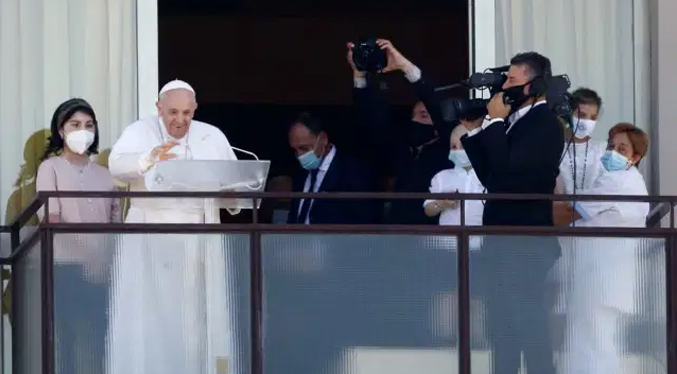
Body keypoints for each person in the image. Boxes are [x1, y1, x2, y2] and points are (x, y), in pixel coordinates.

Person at [106, 80, 241, 374]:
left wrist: (232, 193)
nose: (180, 120)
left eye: (186, 113)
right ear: (158, 108)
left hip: (200, 238)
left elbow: (235, 184)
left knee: (198, 317)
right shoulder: (139, 131)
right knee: (151, 317)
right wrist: (148, 158)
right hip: (151, 236)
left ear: (195, 110)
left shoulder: (212, 136)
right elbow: (116, 165)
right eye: (172, 112)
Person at [461, 52, 563, 374]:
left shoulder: (544, 123)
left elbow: (507, 174)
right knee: (501, 327)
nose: (505, 86)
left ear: (536, 84)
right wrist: (477, 130)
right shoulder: (515, 121)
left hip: (526, 242)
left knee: (527, 323)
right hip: (501, 242)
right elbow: (490, 177)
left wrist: (494, 122)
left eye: (513, 80)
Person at [555, 123, 650, 374]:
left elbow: (571, 213)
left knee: (596, 348)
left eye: (622, 148)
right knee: (590, 344)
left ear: (635, 157)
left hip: (604, 279)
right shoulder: (613, 179)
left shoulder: (621, 182)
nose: (613, 152)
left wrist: (529, 213)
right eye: (610, 146)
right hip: (596, 278)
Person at [35, 98, 121, 374]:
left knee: (100, 339)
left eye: (88, 125)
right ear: (61, 130)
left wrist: (105, 261)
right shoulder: (51, 168)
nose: (83, 130)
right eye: (75, 125)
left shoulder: (106, 175)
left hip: (103, 270)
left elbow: (115, 223)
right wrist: (88, 256)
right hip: (67, 267)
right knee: (67, 339)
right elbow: (52, 218)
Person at [348, 39, 456, 224]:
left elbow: (434, 101)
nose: (423, 112)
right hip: (398, 232)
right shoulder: (402, 147)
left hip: (436, 234)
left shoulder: (450, 146)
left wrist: (404, 66)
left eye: (427, 112)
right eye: (418, 112)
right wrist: (360, 75)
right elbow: (372, 122)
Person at [287, 112, 379, 224]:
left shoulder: (354, 172)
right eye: (296, 150)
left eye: (304, 148)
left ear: (323, 139)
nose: (300, 155)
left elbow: (364, 219)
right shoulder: (301, 173)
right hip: (296, 240)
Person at [423, 121, 484, 241]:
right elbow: (428, 210)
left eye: (463, 146)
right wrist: (441, 204)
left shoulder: (488, 176)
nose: (457, 151)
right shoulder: (442, 177)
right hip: (447, 244)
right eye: (454, 147)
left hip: (481, 243)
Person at [556, 88, 606, 195]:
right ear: (567, 115)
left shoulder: (603, 150)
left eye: (593, 118)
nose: (587, 122)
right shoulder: (554, 149)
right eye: (582, 115)